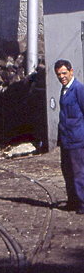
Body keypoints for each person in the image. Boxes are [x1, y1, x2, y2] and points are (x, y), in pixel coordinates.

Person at [55, 59, 84, 213]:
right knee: (67, 172)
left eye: (64, 73)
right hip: (66, 139)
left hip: (77, 139)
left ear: (71, 71)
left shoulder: (79, 89)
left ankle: (82, 203)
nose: (62, 77)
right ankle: (72, 202)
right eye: (59, 74)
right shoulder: (64, 90)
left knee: (79, 172)